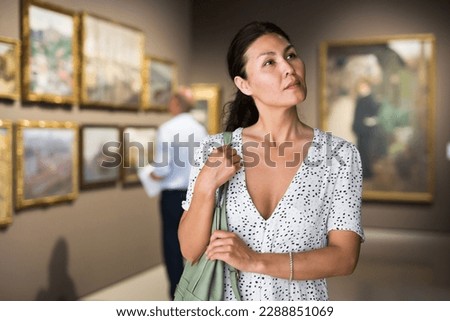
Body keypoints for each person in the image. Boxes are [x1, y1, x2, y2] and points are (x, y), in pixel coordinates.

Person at [178, 21, 364, 301]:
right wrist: (205, 187)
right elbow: (191, 251)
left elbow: (345, 257)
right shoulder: (213, 150)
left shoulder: (340, 155)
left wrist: (255, 261)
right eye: (269, 62)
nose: (289, 68)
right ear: (244, 84)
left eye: (290, 55)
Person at [150, 87, 207, 299]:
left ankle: (177, 297)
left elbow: (162, 169)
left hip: (173, 196)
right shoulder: (201, 130)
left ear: (175, 103)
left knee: (172, 247)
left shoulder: (167, 128)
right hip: (197, 195)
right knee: (198, 246)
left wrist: (151, 174)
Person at [352, 78, 380, 179]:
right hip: (360, 130)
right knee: (361, 151)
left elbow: (374, 116)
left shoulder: (370, 100)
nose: (361, 89)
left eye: (363, 86)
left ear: (368, 87)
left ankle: (367, 172)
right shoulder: (361, 99)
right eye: (360, 87)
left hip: (366, 131)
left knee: (366, 151)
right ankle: (363, 171)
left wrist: (367, 123)